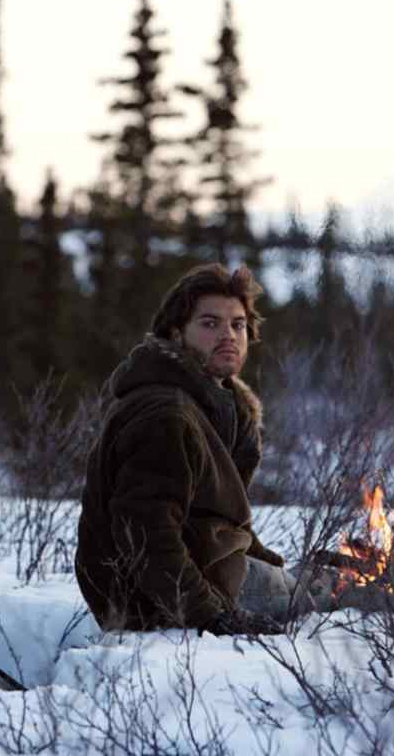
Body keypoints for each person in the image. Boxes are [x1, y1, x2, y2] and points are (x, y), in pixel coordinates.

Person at [75, 263, 285, 636]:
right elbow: (145, 534)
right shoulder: (164, 414)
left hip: (209, 574)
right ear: (176, 333)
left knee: (336, 580)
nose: (228, 336)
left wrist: (274, 567)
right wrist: (212, 616)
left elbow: (217, 521)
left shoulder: (221, 404)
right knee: (344, 594)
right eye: (210, 324)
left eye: (237, 325)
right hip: (151, 603)